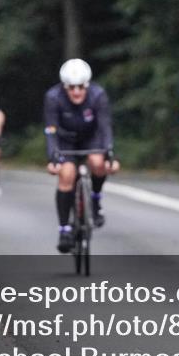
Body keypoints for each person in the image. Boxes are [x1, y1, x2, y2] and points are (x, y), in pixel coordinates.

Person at [44, 58, 119, 252]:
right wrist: (53, 158)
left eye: (80, 87)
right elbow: (50, 130)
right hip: (64, 140)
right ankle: (64, 229)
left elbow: (105, 126)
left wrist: (109, 153)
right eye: (71, 87)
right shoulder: (53, 97)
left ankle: (94, 200)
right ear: (64, 86)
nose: (76, 91)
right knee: (67, 174)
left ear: (87, 85)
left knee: (97, 162)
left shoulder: (97, 95)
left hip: (91, 137)